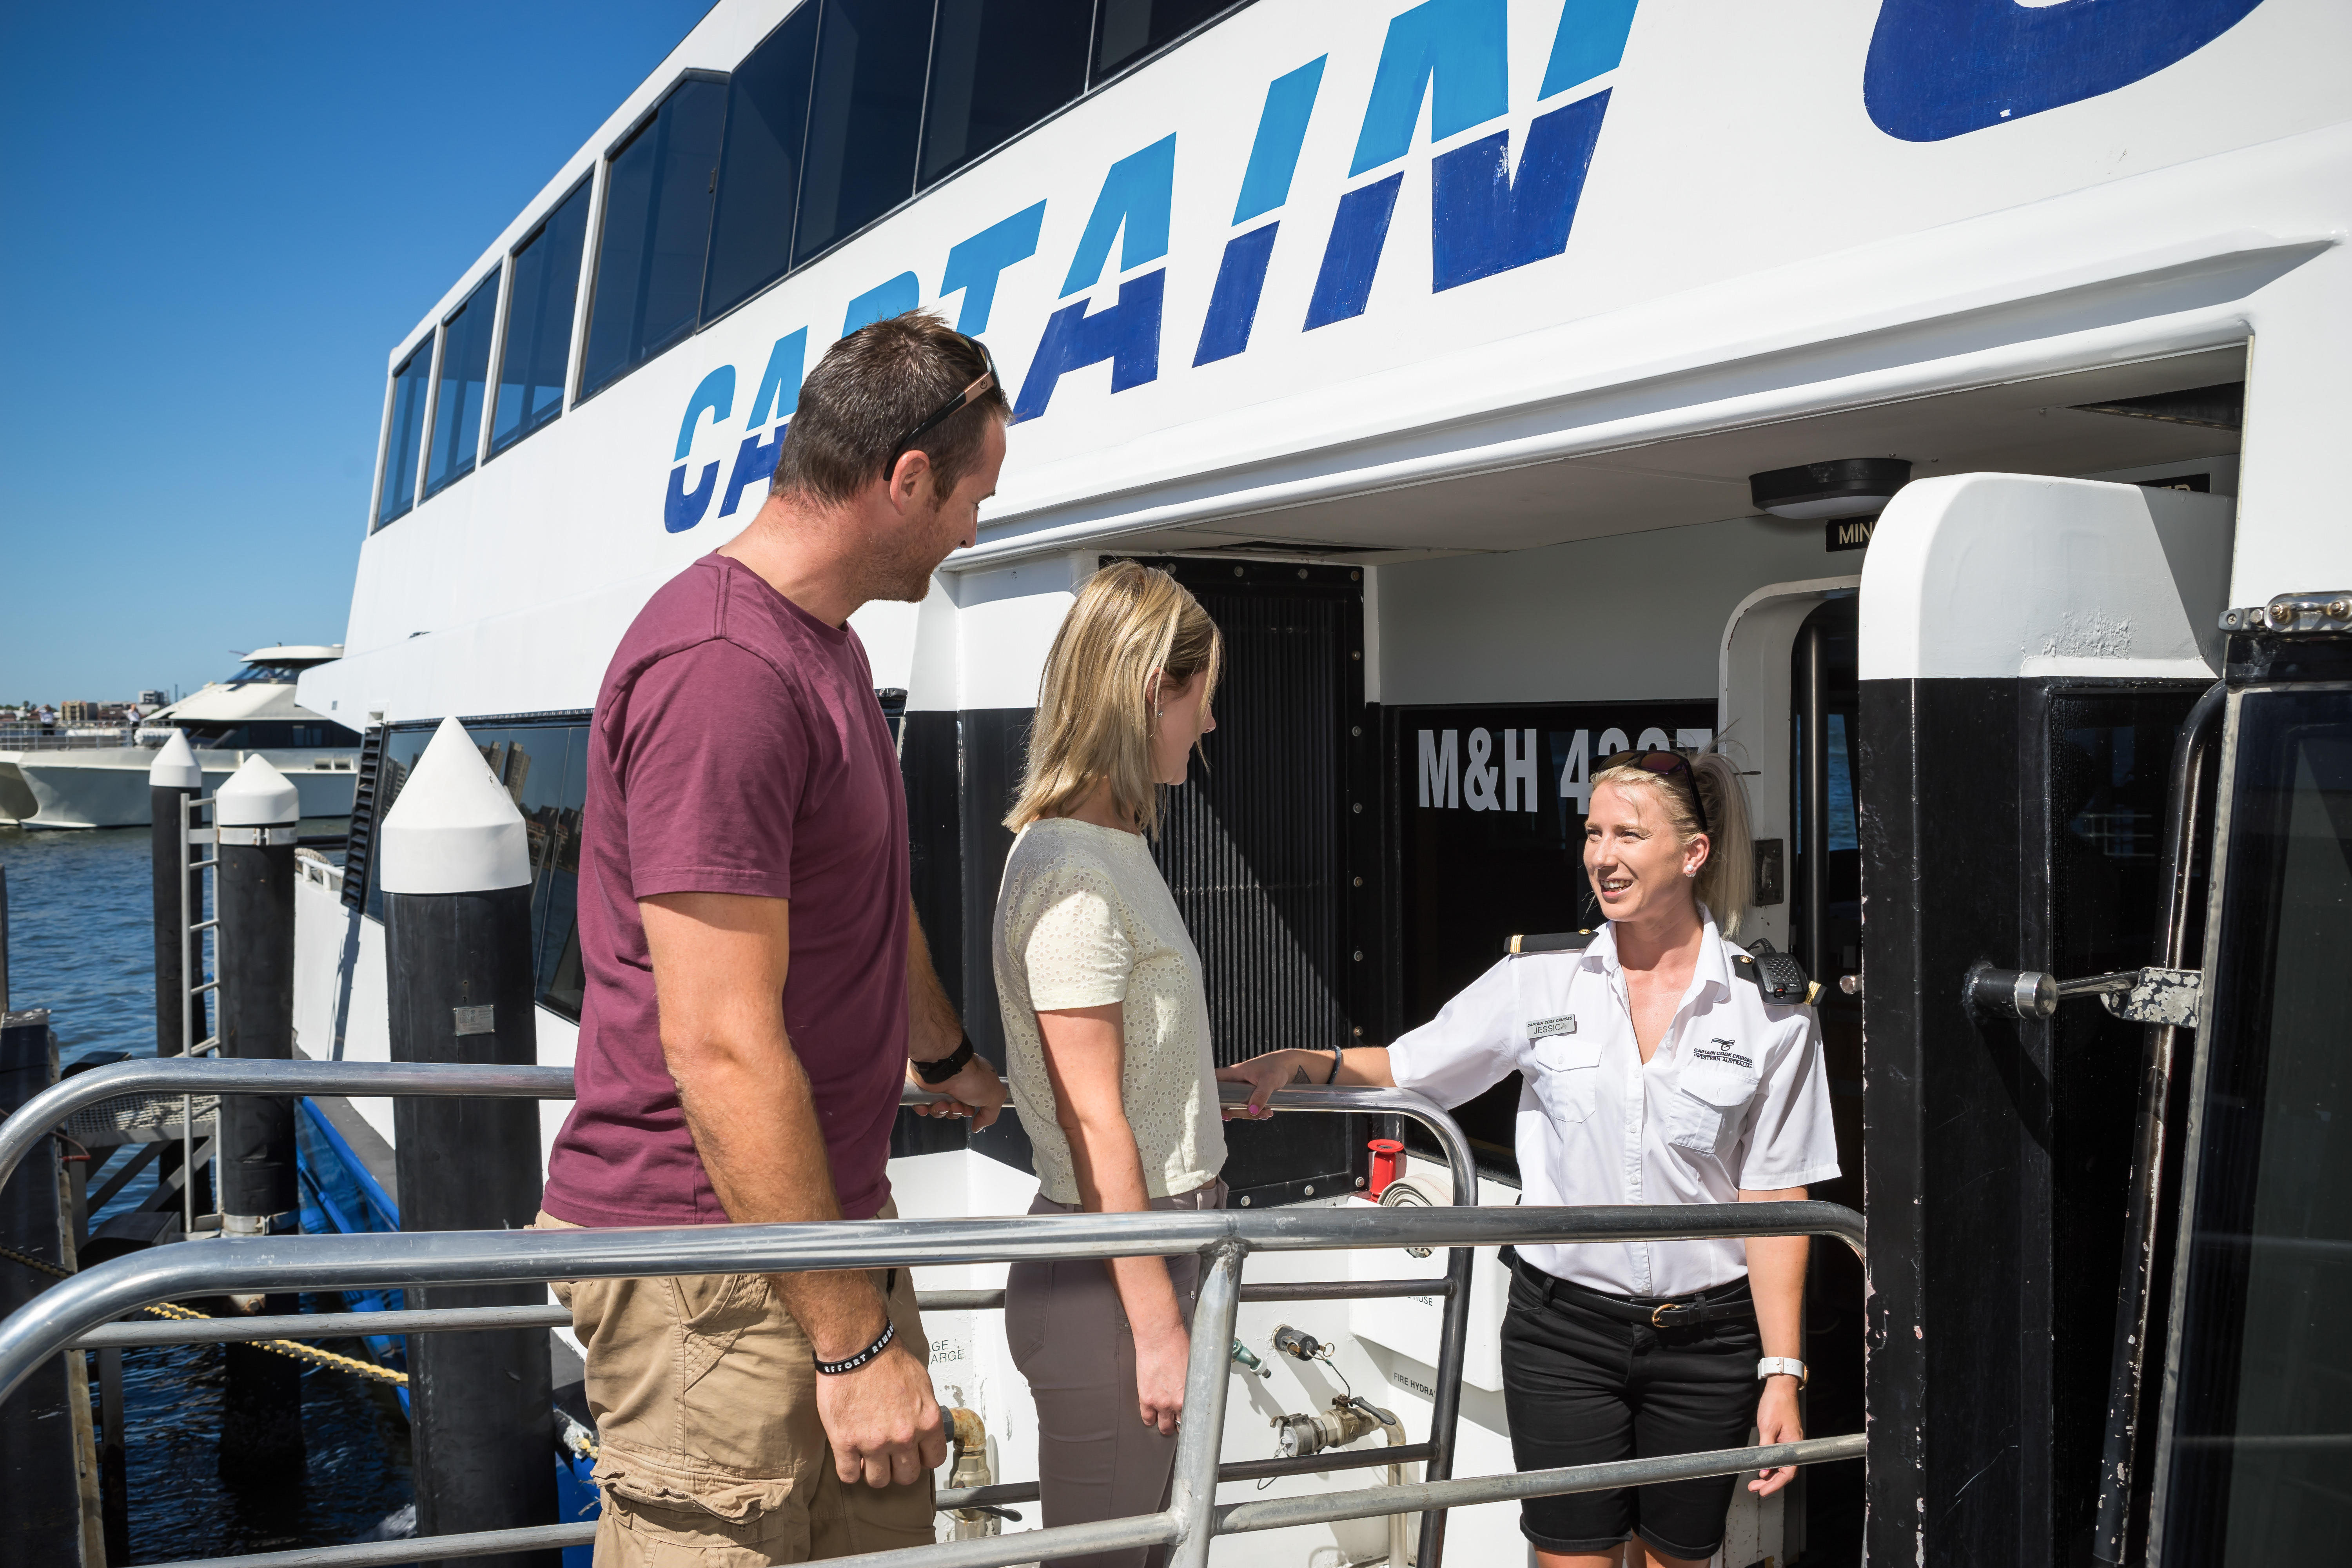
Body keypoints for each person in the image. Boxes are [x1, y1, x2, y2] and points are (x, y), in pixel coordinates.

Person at [537, 312, 1011, 1565]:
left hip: (822, 1237)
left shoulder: (827, 647)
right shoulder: (725, 670)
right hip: (715, 1270)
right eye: (973, 499)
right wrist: (852, 1348)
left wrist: (945, 1056)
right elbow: (719, 1044)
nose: (973, 532)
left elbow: (869, 899)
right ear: (906, 479)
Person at [1219, 750, 1838, 1568]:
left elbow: (1777, 1198)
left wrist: (1782, 1372)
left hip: (1708, 1343)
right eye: (1592, 833)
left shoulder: (1772, 1010)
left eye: (1627, 834)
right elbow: (1410, 1066)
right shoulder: (1539, 979)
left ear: (1694, 853)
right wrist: (1302, 1062)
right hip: (1563, 1334)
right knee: (1569, 1556)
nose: (1601, 856)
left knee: (1680, 1559)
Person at [992, 562, 1229, 1568]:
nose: (1208, 722)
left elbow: (1125, 1073)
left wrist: (1207, 1086)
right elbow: (1093, 1120)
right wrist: (1159, 1326)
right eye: (1201, 696)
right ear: (1147, 691)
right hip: (1118, 1285)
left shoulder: (1104, 846)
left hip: (1151, 1255)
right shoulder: (1076, 874)